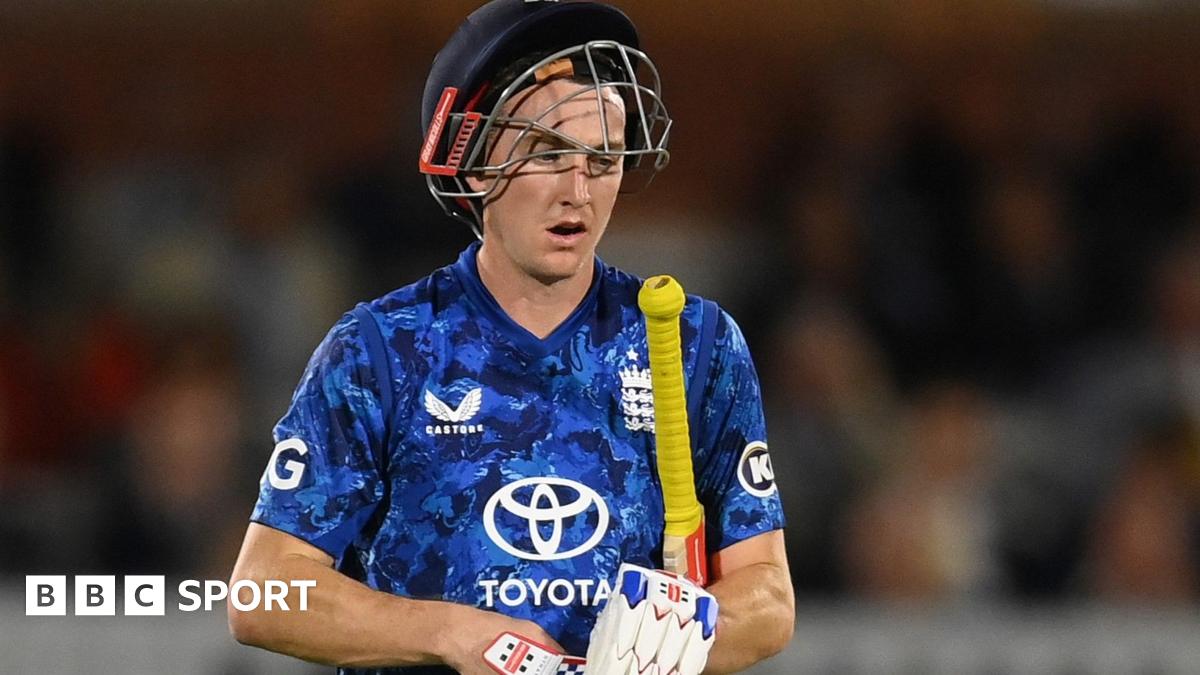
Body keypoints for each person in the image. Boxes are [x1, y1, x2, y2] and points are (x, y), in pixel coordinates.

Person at [228, 2, 794, 673]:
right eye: (547, 153)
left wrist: (681, 642)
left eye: (604, 159)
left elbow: (768, 595)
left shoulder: (692, 344)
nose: (578, 191)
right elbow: (263, 593)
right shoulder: (381, 349)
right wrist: (454, 633)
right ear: (471, 166)